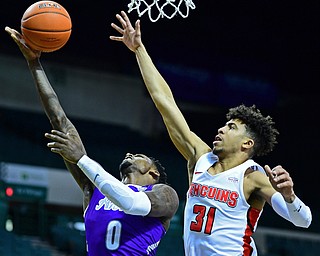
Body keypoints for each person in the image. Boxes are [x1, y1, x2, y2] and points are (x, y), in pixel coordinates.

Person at [109, 11, 312, 256]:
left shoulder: (252, 177)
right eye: (225, 124)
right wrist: (139, 50)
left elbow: (303, 221)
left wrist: (289, 196)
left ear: (247, 143)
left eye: (231, 128)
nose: (221, 128)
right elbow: (165, 102)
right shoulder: (200, 157)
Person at [5, 26, 179, 256]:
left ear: (154, 173)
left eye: (139, 156)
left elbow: (131, 203)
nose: (129, 154)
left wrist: (83, 160)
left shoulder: (164, 194)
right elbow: (60, 120)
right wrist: (34, 63)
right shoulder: (93, 189)